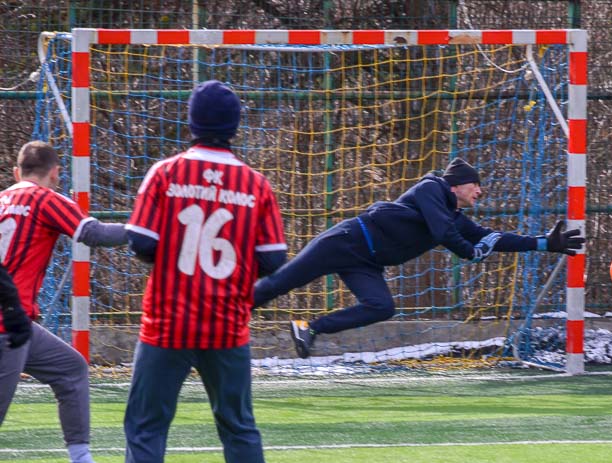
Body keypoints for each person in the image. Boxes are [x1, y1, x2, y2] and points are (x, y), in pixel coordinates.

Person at [254, 157, 586, 359]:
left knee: (382, 306)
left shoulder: (455, 215)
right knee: (281, 283)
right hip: (345, 240)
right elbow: (445, 234)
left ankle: (309, 328)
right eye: (475, 185)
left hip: (366, 262)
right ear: (456, 185)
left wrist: (544, 244)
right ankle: (221, 311)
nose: (480, 191)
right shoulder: (431, 189)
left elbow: (490, 238)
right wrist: (471, 252)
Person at [124, 80, 287, 463]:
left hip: (167, 323)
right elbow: (275, 258)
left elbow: (141, 242)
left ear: (191, 122)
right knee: (238, 426)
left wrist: (169, 261)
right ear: (235, 126)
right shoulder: (255, 184)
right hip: (227, 325)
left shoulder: (165, 173)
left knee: (147, 427)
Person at [0, 140, 128, 463]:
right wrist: (144, 231)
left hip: (20, 325)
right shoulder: (46, 200)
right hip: (7, 328)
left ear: (16, 172)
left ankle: (81, 457)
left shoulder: (2, 199)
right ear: (56, 174)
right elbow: (94, 234)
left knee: (71, 368)